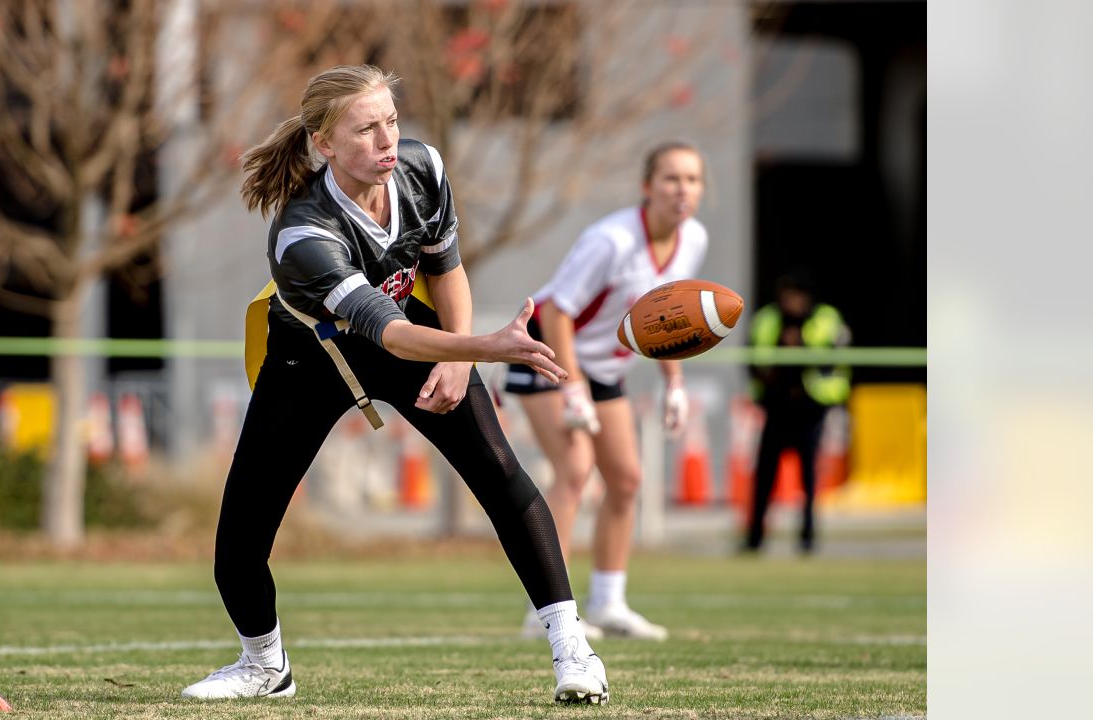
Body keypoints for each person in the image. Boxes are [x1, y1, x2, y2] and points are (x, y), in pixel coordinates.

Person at [180, 65, 608, 705]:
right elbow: (390, 335)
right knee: (237, 545)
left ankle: (574, 650)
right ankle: (265, 666)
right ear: (324, 144)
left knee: (501, 474)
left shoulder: (422, 167)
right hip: (312, 359)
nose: (387, 139)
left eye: (392, 120)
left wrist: (461, 359)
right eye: (365, 129)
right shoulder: (303, 232)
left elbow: (446, 270)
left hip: (418, 336)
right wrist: (484, 345)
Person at [504, 143, 710, 641]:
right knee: (574, 471)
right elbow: (558, 312)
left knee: (626, 479)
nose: (682, 190)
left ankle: (609, 602)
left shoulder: (693, 239)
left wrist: (675, 383)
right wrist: (573, 389)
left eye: (692, 179)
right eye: (670, 178)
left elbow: (672, 317)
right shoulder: (612, 239)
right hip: (546, 354)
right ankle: (546, 610)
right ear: (647, 186)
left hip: (601, 368)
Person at [743, 269, 851, 553]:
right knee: (765, 476)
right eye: (786, 295)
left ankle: (808, 538)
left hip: (810, 409)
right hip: (777, 407)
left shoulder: (826, 319)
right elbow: (752, 359)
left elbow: (836, 358)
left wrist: (801, 346)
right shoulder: (768, 319)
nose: (790, 301)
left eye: (795, 296)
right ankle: (754, 538)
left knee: (809, 479)